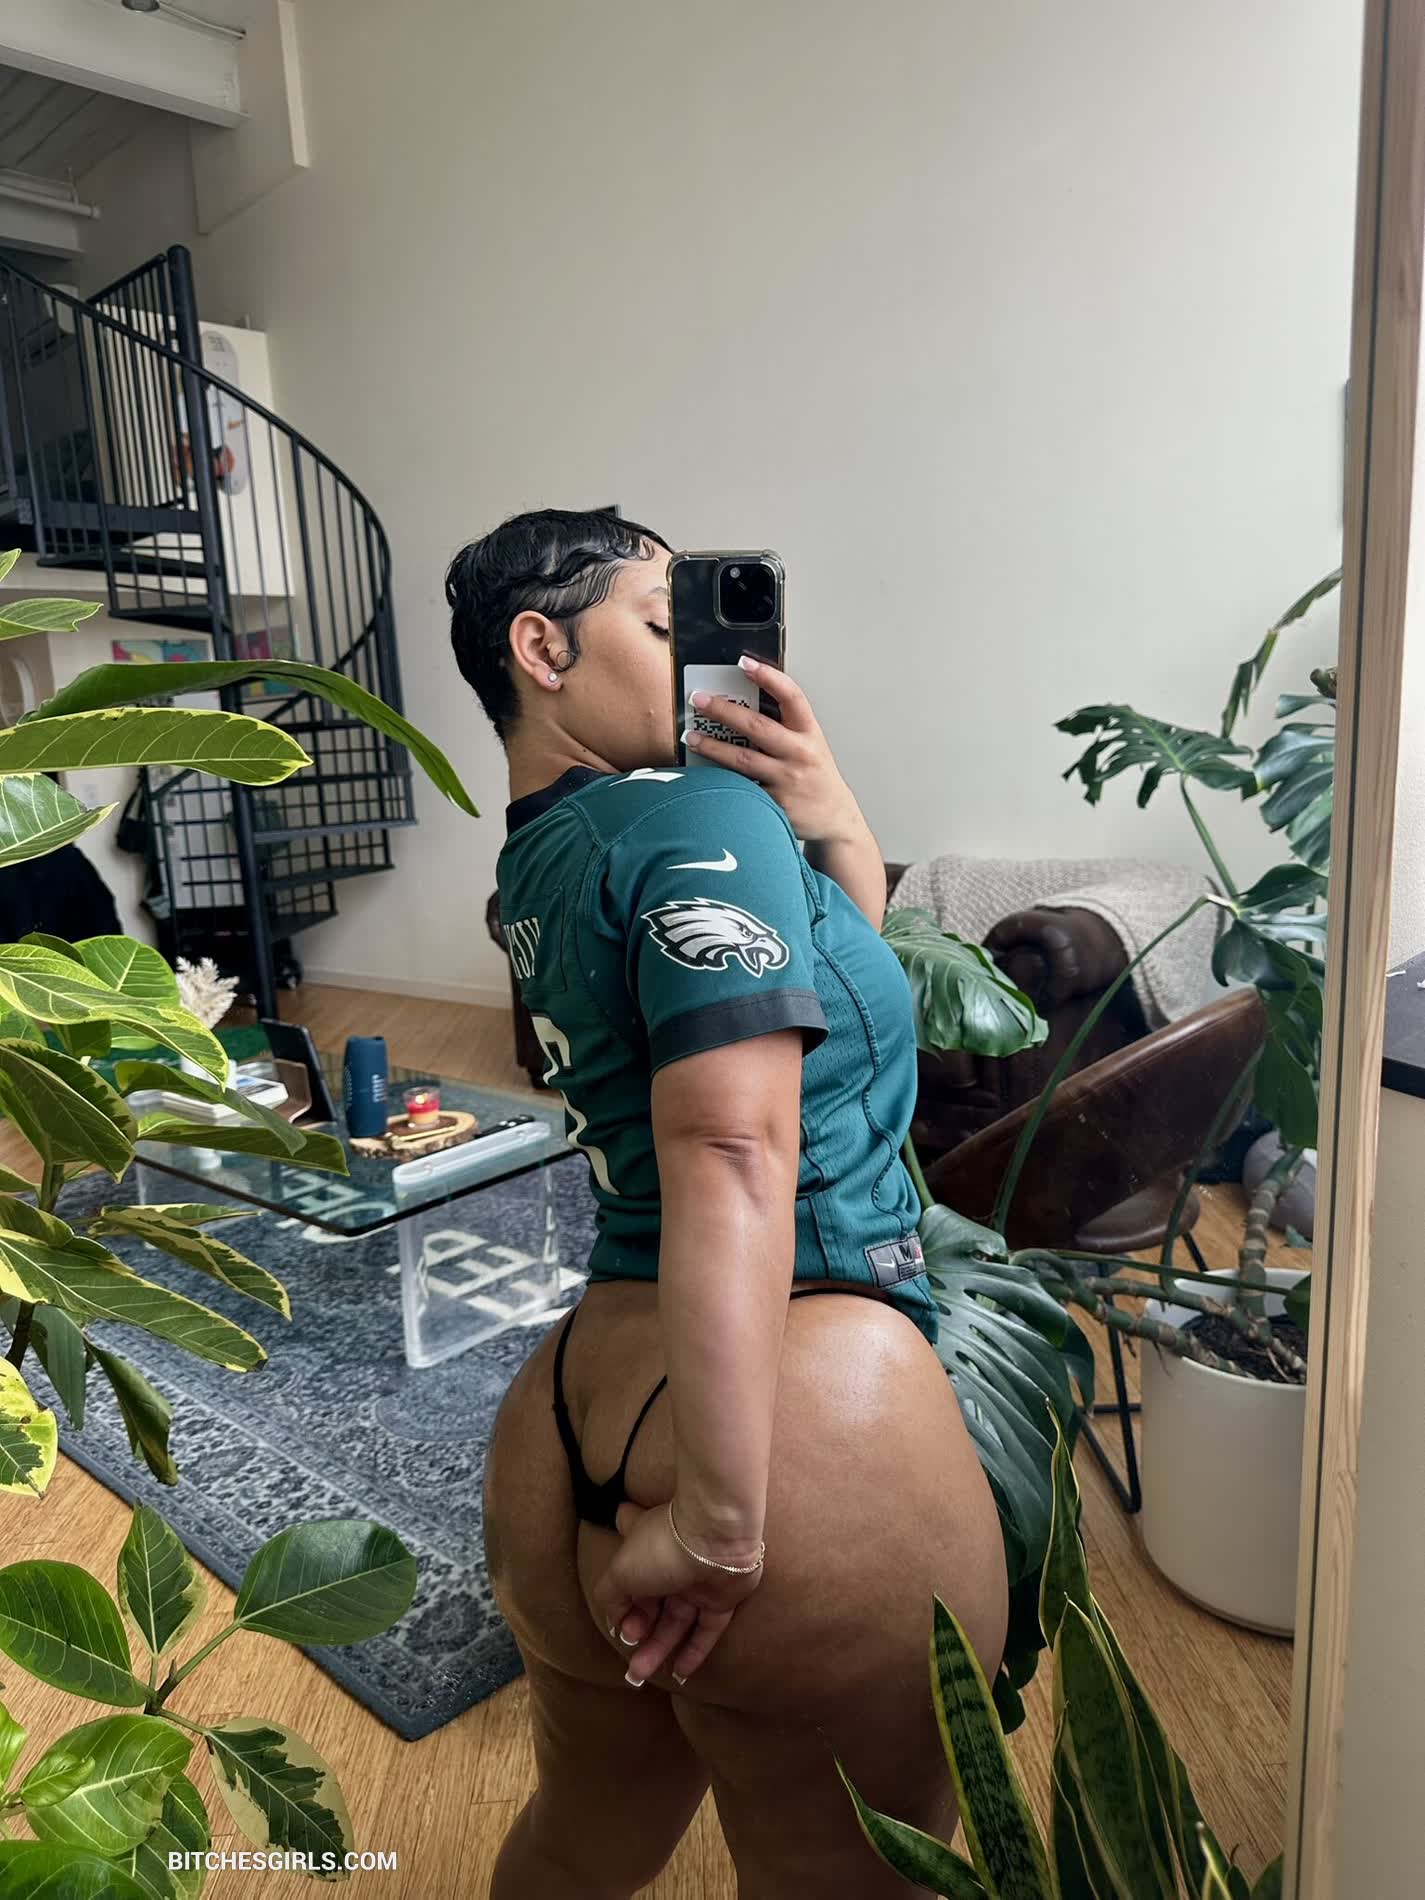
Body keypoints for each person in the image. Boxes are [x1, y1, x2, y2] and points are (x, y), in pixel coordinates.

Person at [449, 510, 1006, 1900]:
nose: (714, 657)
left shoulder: (541, 856)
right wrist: (715, 1523)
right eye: (664, 622)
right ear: (542, 649)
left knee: (578, 1846)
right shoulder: (698, 815)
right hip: (793, 1433)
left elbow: (833, 998)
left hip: (572, 1415)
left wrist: (833, 818)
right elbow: (735, 1148)